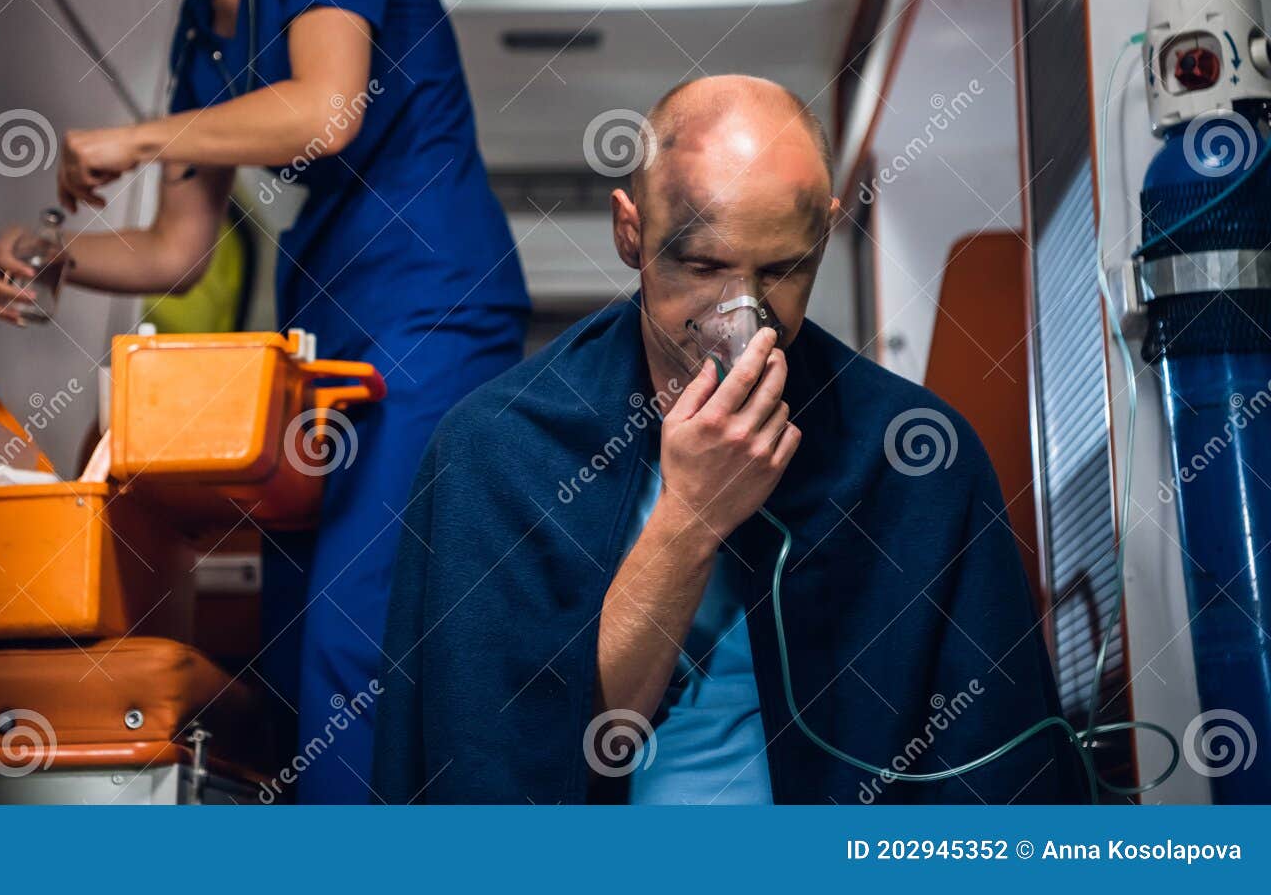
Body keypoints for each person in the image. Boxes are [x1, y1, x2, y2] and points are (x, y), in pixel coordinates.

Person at [0, 0, 530, 803]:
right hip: (326, 322)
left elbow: (327, 111)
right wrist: (54, 258)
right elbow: (174, 248)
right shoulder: (201, 25)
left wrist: (137, 138)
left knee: (347, 634)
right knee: (284, 645)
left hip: (431, 301)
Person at [374, 75, 1086, 803]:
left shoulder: (913, 456)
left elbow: (996, 774)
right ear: (630, 232)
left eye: (780, 270)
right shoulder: (499, 447)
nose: (741, 317)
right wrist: (690, 518)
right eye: (704, 266)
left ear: (826, 232)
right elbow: (522, 765)